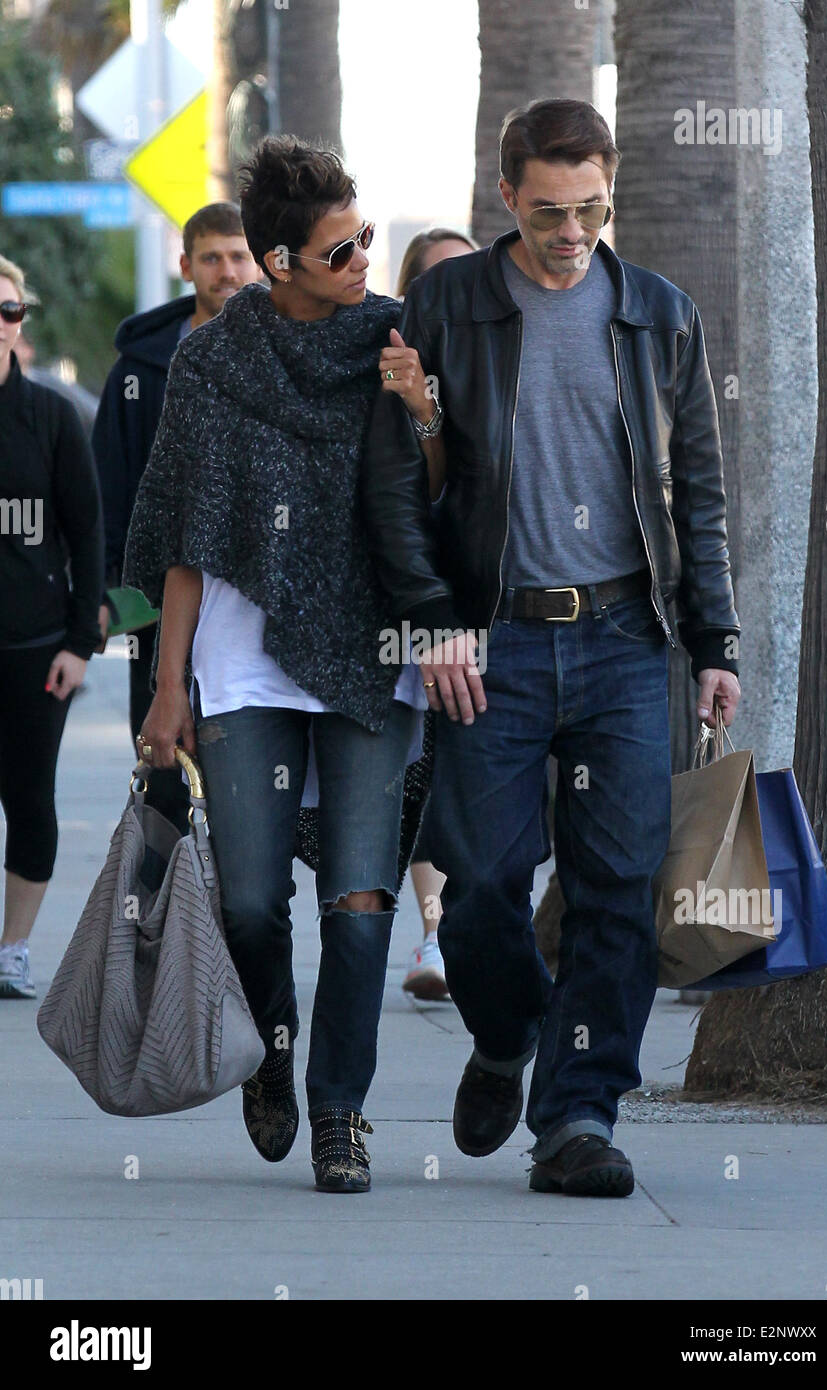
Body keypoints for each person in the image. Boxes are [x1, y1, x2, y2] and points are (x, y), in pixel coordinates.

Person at [363, 98, 741, 1197]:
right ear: (504, 196)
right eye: (547, 211)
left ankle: (576, 1114)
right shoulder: (444, 304)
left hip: (627, 639)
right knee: (479, 882)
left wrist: (711, 635)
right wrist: (434, 616)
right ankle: (505, 1032)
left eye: (590, 209)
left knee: (616, 886)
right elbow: (396, 483)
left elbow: (696, 494)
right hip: (491, 638)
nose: (570, 232)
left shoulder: (656, 314)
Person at [123, 137, 438, 1194]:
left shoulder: (394, 334)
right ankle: (270, 1045)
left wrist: (421, 410)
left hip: (370, 654)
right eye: (340, 247)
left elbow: (446, 493)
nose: (362, 258)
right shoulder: (214, 361)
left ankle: (339, 1113)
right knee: (251, 900)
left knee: (360, 898)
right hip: (244, 663)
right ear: (278, 262)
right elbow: (182, 530)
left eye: (367, 238)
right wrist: (167, 686)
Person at [91, 202, 262, 831]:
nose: (227, 270)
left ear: (263, 261)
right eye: (212, 257)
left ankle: (234, 915)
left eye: (239, 255)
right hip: (159, 600)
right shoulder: (140, 371)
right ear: (186, 264)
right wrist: (113, 592)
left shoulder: (290, 352)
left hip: (256, 602)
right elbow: (108, 484)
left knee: (251, 789)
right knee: (166, 769)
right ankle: (170, 917)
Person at [0, 255, 104, 998]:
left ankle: (12, 948)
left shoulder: (50, 415)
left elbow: (87, 530)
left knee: (29, 797)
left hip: (35, 646)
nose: (1, 322)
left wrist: (79, 642)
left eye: (10, 309)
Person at [389, 228, 478, 1002]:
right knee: (426, 762)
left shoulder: (503, 352)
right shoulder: (392, 368)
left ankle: (469, 928)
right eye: (436, 279)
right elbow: (417, 493)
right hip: (420, 597)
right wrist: (420, 407)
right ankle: (434, 931)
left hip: (497, 597)